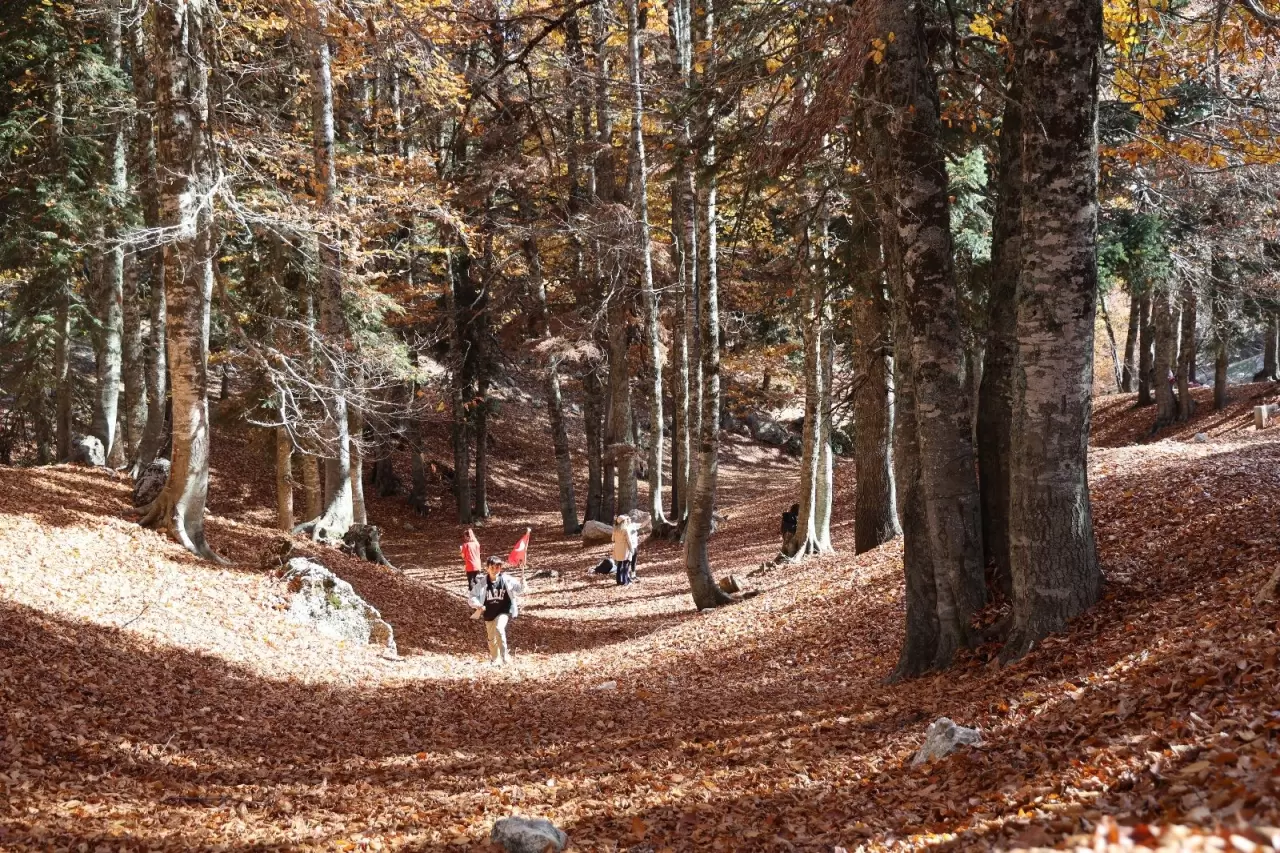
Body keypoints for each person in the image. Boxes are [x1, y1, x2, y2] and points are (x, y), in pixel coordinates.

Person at [468, 556, 527, 666]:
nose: (495, 570)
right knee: (491, 639)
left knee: (499, 629)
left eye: (498, 567)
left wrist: (523, 581)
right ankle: (495, 658)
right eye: (492, 567)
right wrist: (478, 605)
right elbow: (472, 597)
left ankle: (505, 657)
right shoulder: (482, 583)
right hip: (489, 613)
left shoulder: (506, 579)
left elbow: (520, 589)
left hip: (503, 610)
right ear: (487, 568)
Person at [612, 515, 640, 585]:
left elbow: (612, 539)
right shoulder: (625, 530)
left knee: (619, 565)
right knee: (625, 565)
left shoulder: (615, 530)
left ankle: (618, 581)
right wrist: (631, 549)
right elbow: (629, 541)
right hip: (625, 549)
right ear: (622, 522)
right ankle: (625, 581)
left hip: (617, 549)